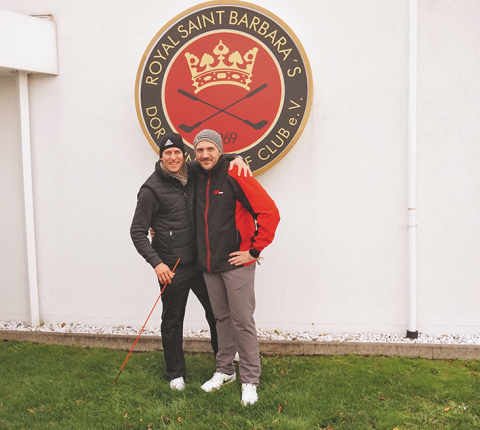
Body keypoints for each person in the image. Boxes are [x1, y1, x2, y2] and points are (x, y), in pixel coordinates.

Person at [130, 132, 250, 391]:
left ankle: (224, 360)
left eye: (177, 153)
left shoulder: (193, 171)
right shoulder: (150, 189)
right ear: (161, 156)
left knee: (217, 313)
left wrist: (237, 158)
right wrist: (157, 263)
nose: (173, 157)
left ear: (183, 155)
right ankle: (175, 373)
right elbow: (137, 232)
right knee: (173, 319)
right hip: (171, 267)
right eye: (167, 153)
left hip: (199, 262)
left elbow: (214, 157)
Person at [193, 129, 280, 406]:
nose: (205, 154)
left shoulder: (235, 173)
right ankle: (225, 370)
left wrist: (253, 251)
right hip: (209, 264)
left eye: (210, 149)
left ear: (219, 150)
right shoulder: (196, 174)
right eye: (199, 150)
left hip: (235, 263)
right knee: (221, 320)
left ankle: (250, 380)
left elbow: (269, 213)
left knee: (243, 322)